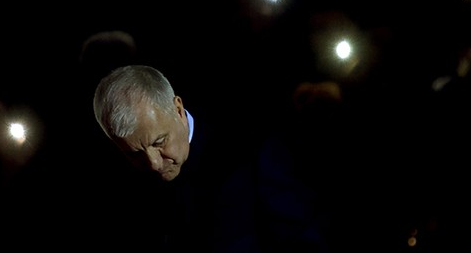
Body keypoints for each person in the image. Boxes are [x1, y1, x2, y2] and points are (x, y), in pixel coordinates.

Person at [92, 63, 333, 252]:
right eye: (134, 154)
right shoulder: (116, 186)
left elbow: (306, 239)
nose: (154, 164)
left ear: (177, 109)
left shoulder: (249, 151)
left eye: (159, 142)